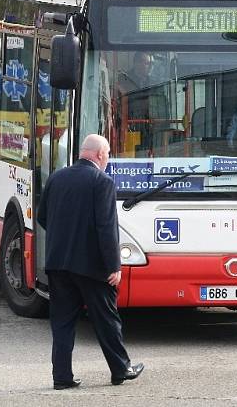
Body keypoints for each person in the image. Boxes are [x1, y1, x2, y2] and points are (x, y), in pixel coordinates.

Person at [37, 134, 145, 390]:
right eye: (107, 155)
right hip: (92, 267)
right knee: (107, 319)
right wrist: (114, 266)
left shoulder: (56, 177)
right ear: (99, 155)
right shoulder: (102, 181)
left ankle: (61, 377)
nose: (107, 159)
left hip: (58, 263)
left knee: (62, 323)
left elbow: (43, 218)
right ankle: (121, 369)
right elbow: (107, 228)